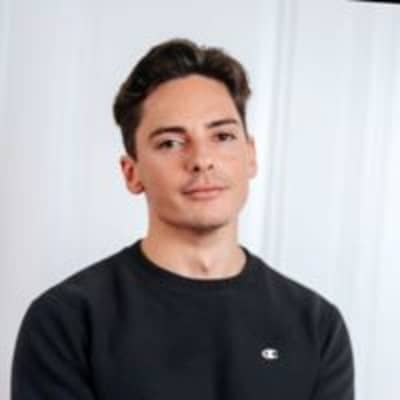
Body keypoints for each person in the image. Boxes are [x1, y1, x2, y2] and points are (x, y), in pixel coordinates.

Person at [11, 38, 355, 399]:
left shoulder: (316, 327)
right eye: (170, 143)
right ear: (132, 173)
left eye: (222, 136)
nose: (201, 159)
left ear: (250, 155)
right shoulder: (67, 322)